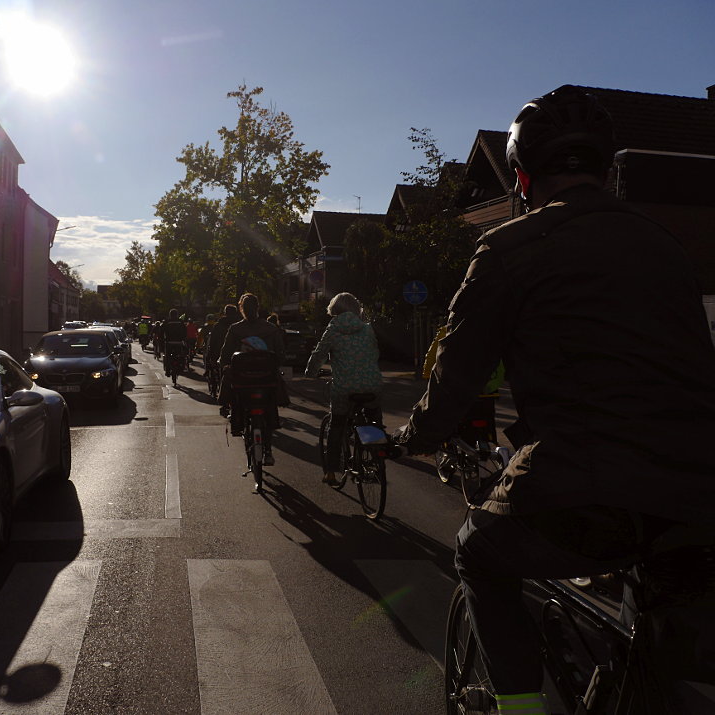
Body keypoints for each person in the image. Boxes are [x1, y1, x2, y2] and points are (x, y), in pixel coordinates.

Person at [396, 85, 715, 714]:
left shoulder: (509, 248)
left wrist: (419, 434)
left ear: (520, 175)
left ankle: (520, 710)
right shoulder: (665, 246)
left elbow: (459, 372)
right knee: (648, 628)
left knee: (477, 554)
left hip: (585, 482)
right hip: (701, 488)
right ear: (605, 168)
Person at [304, 292, 383, 486]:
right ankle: (375, 456)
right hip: (371, 385)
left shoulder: (333, 329)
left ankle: (331, 471)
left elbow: (319, 354)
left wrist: (310, 372)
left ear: (335, 310)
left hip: (344, 388)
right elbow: (375, 352)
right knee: (373, 419)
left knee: (336, 426)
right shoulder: (367, 329)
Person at [219, 293, 284, 466]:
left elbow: (225, 354)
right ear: (258, 307)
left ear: (241, 309)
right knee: (269, 408)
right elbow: (280, 354)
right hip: (266, 380)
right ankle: (268, 451)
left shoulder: (235, 329)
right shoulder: (271, 329)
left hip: (243, 380)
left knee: (231, 386)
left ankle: (229, 412)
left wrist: (224, 363)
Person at [162, 308, 187, 377]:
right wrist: (183, 339)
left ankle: (167, 371)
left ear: (170, 315)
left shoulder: (167, 322)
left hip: (169, 342)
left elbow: (162, 331)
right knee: (180, 356)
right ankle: (181, 368)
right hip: (179, 342)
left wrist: (163, 340)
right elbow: (185, 331)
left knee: (167, 356)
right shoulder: (181, 322)